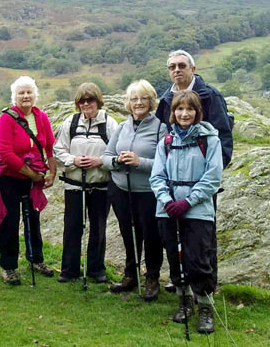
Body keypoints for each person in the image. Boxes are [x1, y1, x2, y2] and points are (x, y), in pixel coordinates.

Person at [155, 49, 232, 288]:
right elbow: (163, 133)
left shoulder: (210, 97)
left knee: (202, 240)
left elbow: (223, 140)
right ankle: (182, 284)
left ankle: (206, 287)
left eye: (181, 65)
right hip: (173, 182)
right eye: (172, 67)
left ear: (193, 69)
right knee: (177, 238)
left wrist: (211, 175)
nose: (177, 70)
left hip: (200, 182)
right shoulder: (166, 99)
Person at [150, 90, 222, 334]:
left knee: (198, 259)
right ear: (173, 113)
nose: (184, 114)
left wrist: (188, 201)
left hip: (197, 210)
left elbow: (212, 178)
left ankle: (204, 307)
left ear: (197, 112)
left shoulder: (209, 140)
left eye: (189, 109)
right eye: (179, 109)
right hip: (168, 209)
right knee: (174, 257)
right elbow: (157, 176)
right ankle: (184, 300)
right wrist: (167, 200)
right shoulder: (166, 142)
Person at [0, 76, 57, 285]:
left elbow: (49, 146)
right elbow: (5, 152)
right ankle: (8, 266)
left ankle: (36, 260)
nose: (25, 96)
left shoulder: (41, 117)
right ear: (14, 97)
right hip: (9, 178)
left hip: (32, 178)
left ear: (35, 95)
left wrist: (51, 172)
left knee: (33, 219)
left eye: (29, 92)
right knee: (10, 220)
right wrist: (33, 175)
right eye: (21, 93)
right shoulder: (7, 118)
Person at [102, 80, 167, 301]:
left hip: (148, 192)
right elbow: (106, 157)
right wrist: (117, 161)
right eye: (134, 98)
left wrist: (139, 162)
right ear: (128, 103)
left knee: (151, 236)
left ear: (151, 101)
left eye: (143, 98)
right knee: (128, 233)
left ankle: (152, 278)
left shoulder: (161, 127)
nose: (138, 102)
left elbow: (164, 162)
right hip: (121, 189)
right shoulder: (122, 127)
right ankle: (130, 274)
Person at [53, 82, 118, 284]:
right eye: (81, 100)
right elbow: (58, 150)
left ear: (98, 101)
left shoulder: (110, 124)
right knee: (72, 227)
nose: (86, 104)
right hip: (74, 185)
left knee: (98, 227)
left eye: (90, 100)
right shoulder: (70, 123)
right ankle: (69, 269)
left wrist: (99, 161)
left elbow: (116, 153)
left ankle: (96, 269)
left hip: (101, 185)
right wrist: (74, 160)